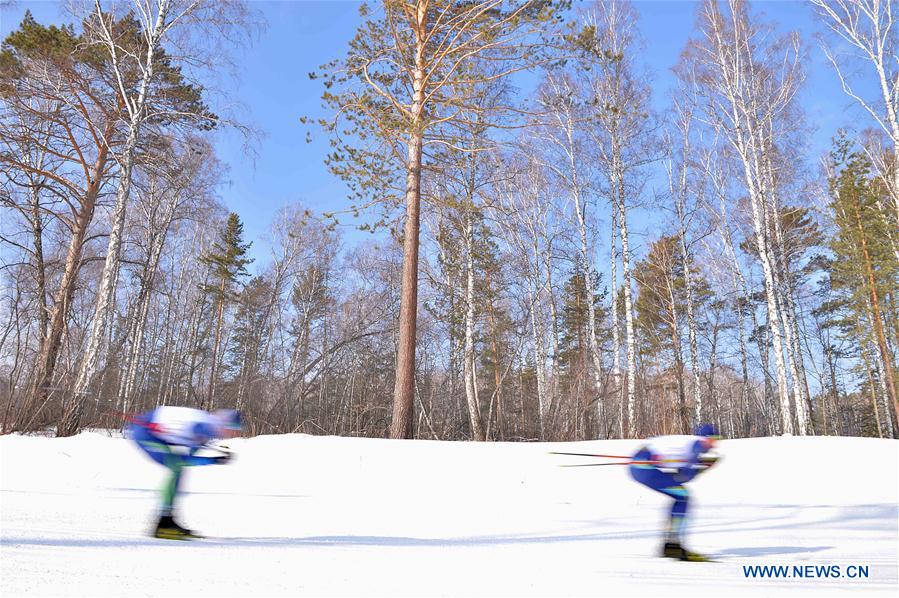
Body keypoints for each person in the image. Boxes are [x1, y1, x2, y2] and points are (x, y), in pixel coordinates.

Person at [127, 406, 242, 539]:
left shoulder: (208, 428)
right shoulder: (202, 428)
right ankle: (163, 523)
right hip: (144, 433)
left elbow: (188, 456)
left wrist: (213, 459)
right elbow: (182, 460)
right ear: (223, 425)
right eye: (232, 430)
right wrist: (213, 460)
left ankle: (166, 520)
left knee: (177, 470)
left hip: (151, 428)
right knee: (175, 467)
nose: (233, 434)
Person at [629, 423, 721, 561]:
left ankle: (671, 544)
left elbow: (679, 475)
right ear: (705, 438)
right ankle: (672, 545)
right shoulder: (697, 447)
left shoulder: (692, 444)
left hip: (641, 463)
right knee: (683, 496)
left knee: (681, 495)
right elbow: (684, 477)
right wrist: (704, 467)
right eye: (714, 440)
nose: (715, 445)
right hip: (644, 467)